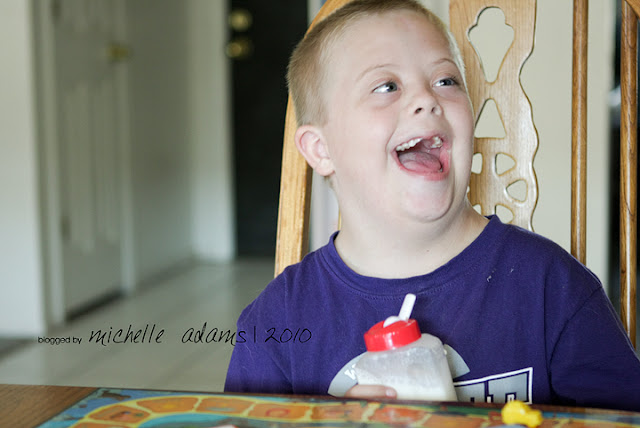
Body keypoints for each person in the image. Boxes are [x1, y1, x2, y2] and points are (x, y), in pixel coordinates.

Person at [225, 0, 640, 411]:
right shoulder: (275, 322)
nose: (426, 98)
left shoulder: (552, 288)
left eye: (446, 80)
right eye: (387, 86)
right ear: (321, 150)